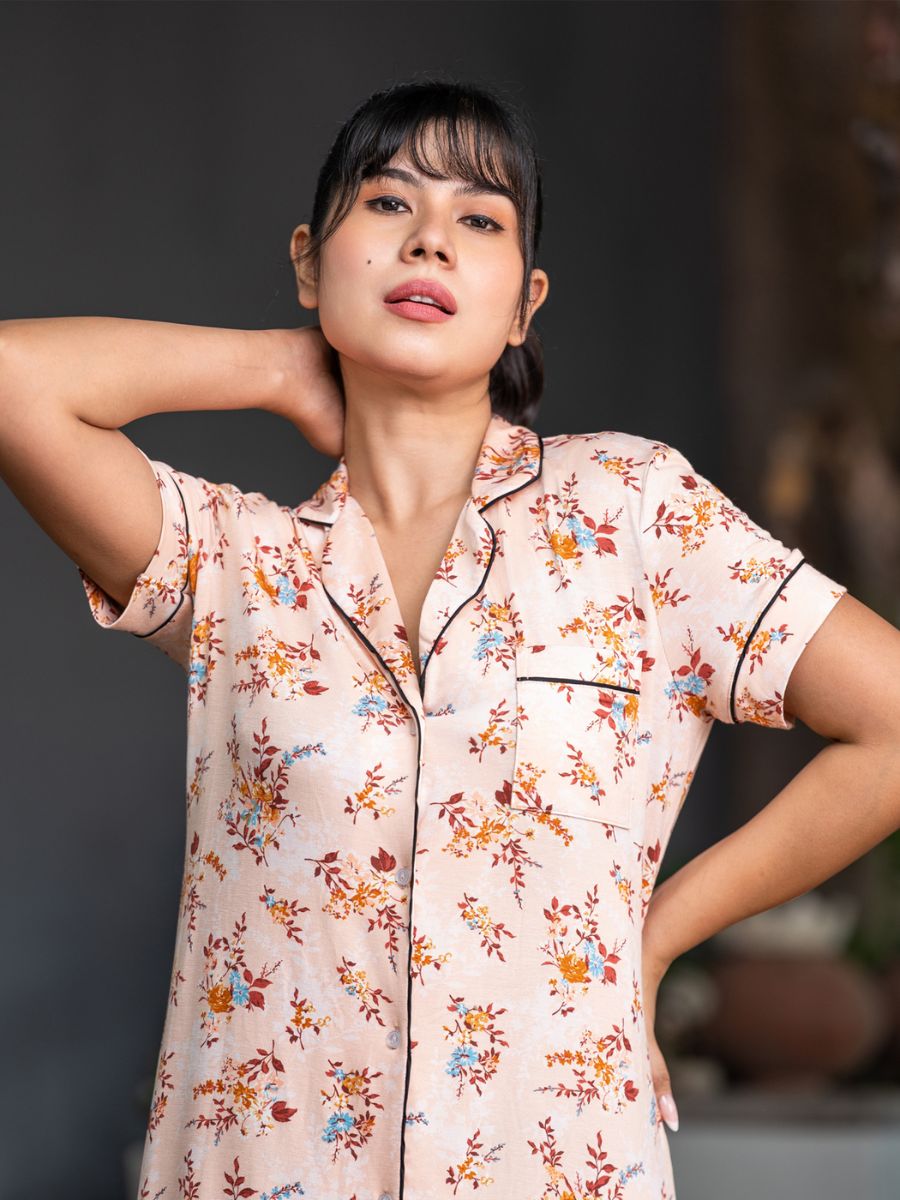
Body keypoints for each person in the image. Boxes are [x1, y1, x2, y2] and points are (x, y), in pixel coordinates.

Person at [2, 76, 899, 1200]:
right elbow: (13, 382)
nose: (431, 236)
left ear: (524, 303)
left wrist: (659, 935)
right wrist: (282, 366)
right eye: (388, 205)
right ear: (307, 257)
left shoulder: (635, 512)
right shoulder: (236, 566)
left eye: (478, 219)